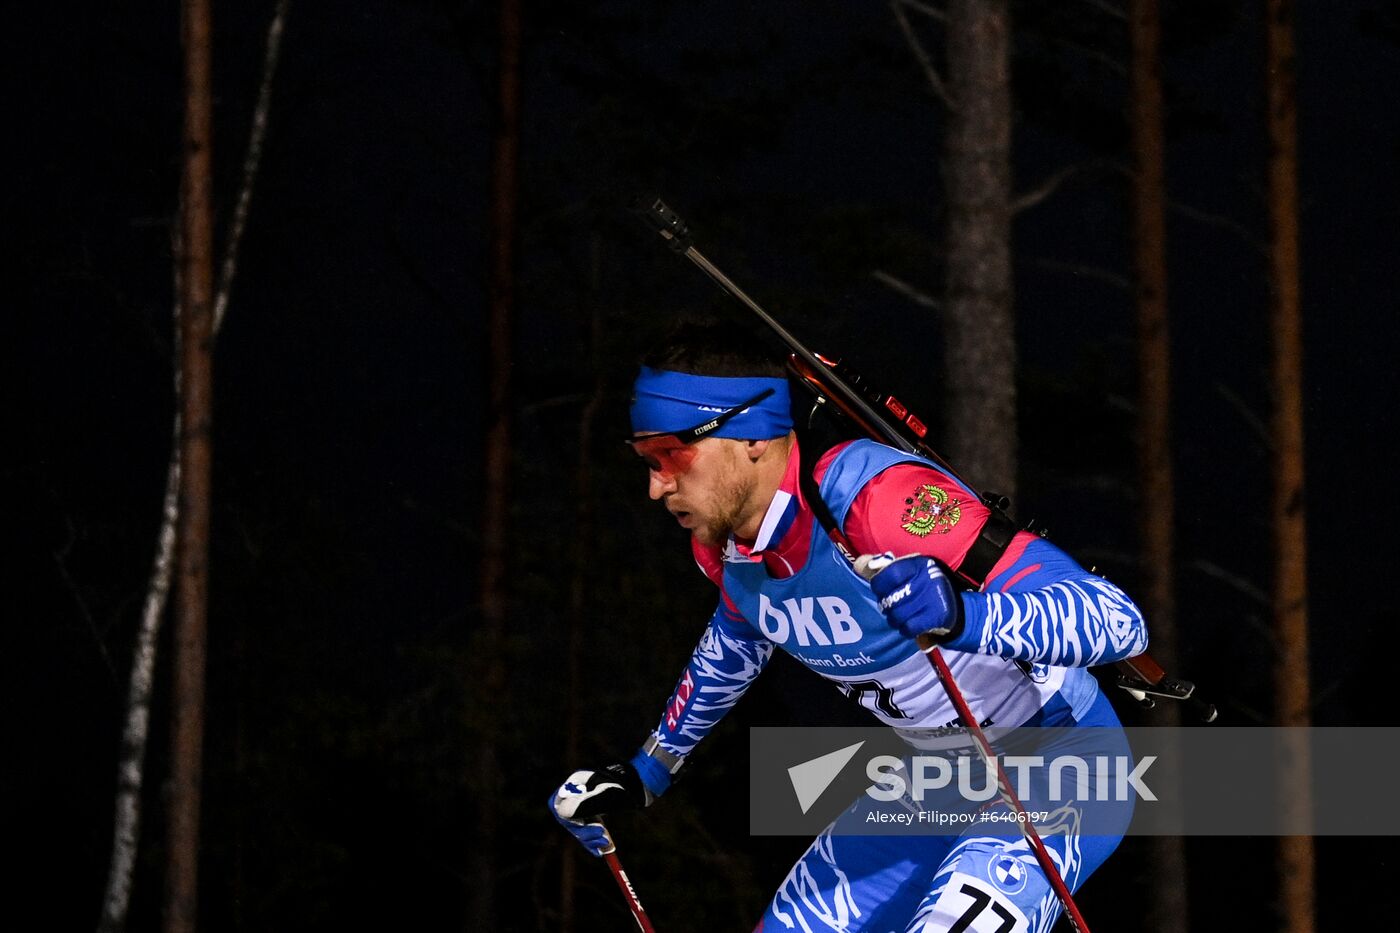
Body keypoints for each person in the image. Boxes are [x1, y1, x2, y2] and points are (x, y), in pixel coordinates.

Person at [549, 322, 1148, 932]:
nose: (657, 487)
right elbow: (735, 642)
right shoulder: (723, 545)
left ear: (751, 438)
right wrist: (646, 773)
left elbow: (1119, 622)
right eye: (645, 460)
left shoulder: (876, 501)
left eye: (672, 455)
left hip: (1062, 767)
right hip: (936, 780)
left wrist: (967, 616)